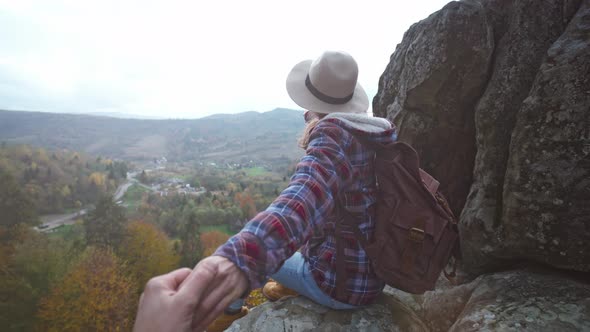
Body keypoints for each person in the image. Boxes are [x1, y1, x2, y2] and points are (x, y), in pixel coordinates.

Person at [133, 51, 397, 332]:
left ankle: (227, 317)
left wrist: (240, 259)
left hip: (339, 285)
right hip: (370, 275)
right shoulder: (370, 136)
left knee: (240, 243)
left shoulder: (333, 140)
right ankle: (292, 286)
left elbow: (301, 199)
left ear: (312, 102)